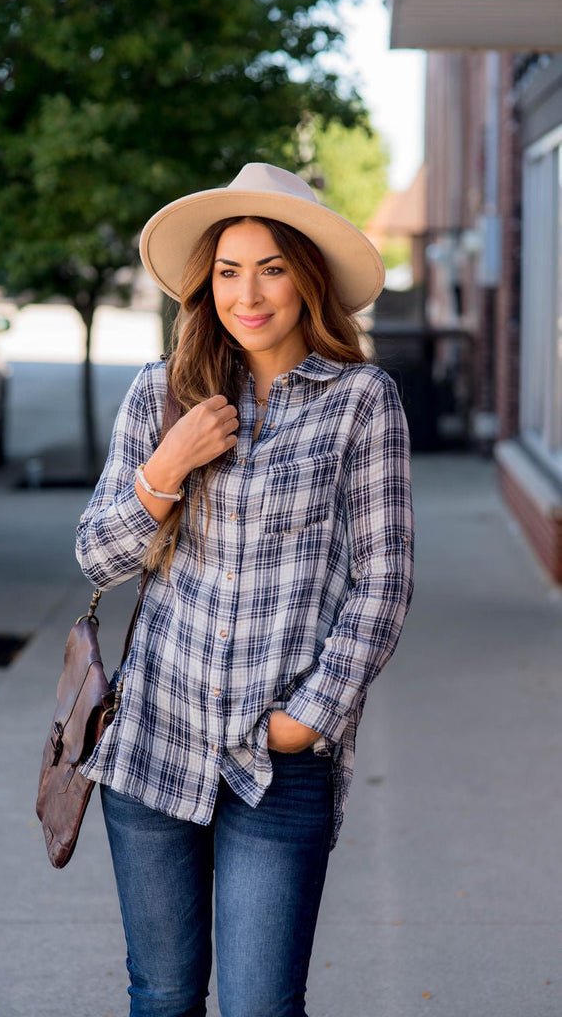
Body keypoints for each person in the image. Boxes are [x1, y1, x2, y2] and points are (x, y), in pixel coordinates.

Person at [76, 162, 414, 1017]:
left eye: (271, 268)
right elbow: (95, 557)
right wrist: (167, 464)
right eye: (229, 270)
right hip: (155, 739)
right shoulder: (162, 391)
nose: (248, 293)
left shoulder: (362, 403)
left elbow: (384, 578)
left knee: (263, 1006)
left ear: (307, 278)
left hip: (277, 760)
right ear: (206, 283)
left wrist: (309, 716)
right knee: (162, 996)